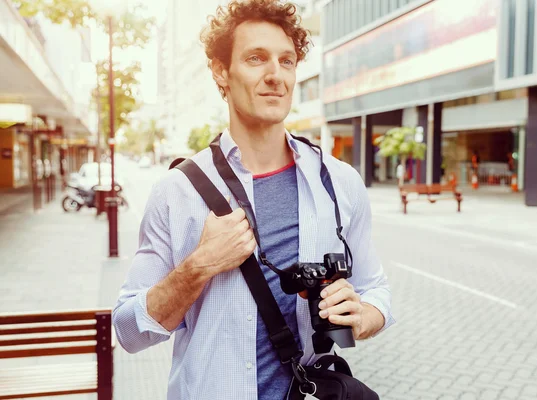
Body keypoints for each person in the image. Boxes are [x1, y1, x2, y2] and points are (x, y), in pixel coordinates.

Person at [112, 1, 394, 398]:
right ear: (221, 71)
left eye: (287, 60)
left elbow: (376, 289)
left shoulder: (339, 182)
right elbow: (128, 330)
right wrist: (198, 266)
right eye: (256, 58)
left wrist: (365, 314)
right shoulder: (176, 191)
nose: (275, 75)